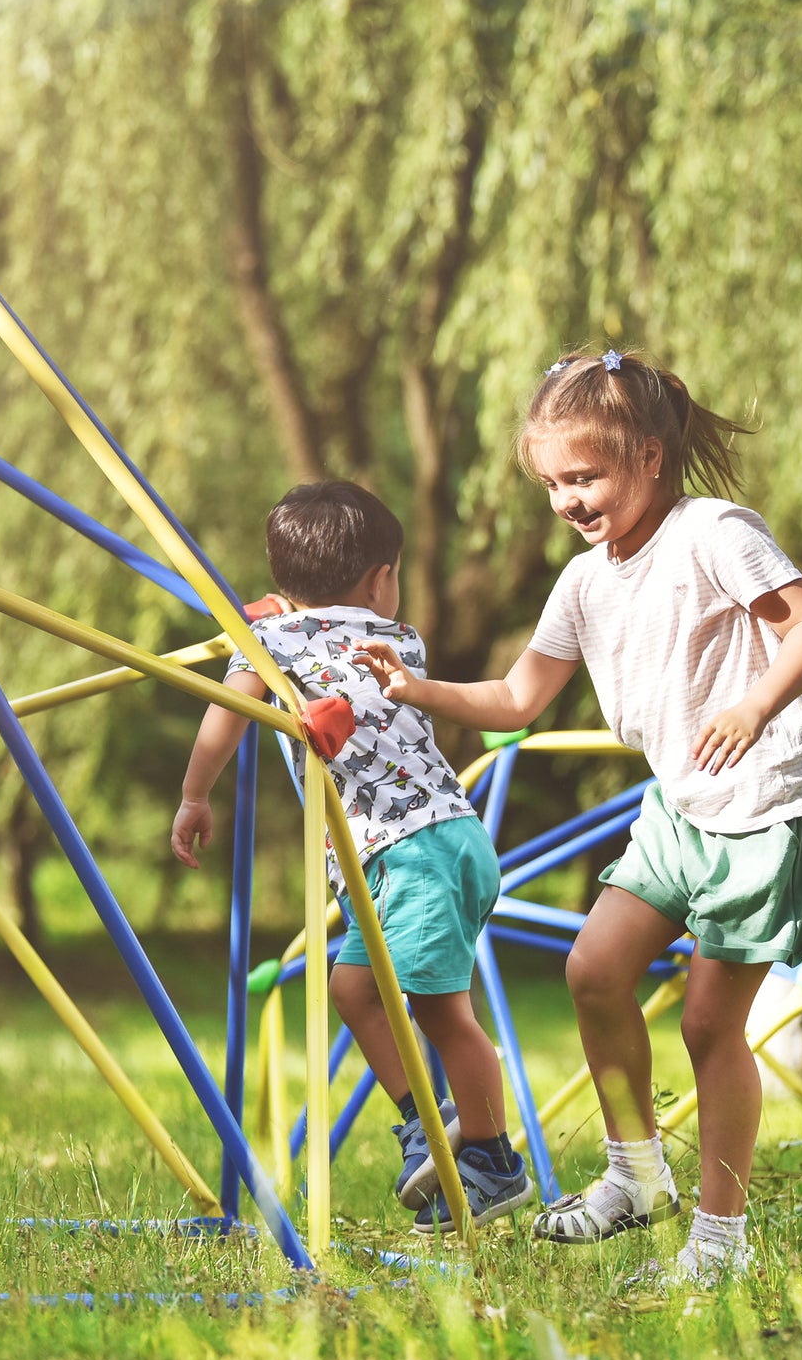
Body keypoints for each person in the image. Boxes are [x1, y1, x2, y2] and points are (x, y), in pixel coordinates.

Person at [357, 349, 802, 1286]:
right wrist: (415, 687)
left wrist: (753, 706)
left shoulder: (712, 532)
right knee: (592, 969)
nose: (567, 501)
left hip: (765, 805)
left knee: (710, 1026)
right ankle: (635, 1177)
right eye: (551, 482)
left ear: (650, 458)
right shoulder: (584, 582)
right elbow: (514, 695)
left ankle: (718, 1244)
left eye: (583, 477)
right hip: (683, 809)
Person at [171, 480, 533, 1233]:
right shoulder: (397, 640)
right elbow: (330, 647)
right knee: (352, 990)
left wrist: (194, 794)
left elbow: (223, 718)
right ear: (381, 580)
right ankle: (423, 1126)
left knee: (438, 1010)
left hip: (414, 850)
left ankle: (494, 1159)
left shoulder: (270, 643)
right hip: (433, 841)